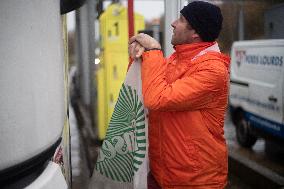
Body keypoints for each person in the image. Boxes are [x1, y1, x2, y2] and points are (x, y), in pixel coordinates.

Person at [129, 1, 230, 189]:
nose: (173, 23)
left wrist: (153, 51)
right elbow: (146, 88)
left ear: (196, 33)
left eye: (182, 20)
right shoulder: (177, 60)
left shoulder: (212, 71)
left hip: (195, 181)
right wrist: (137, 57)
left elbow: (156, 98)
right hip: (162, 174)